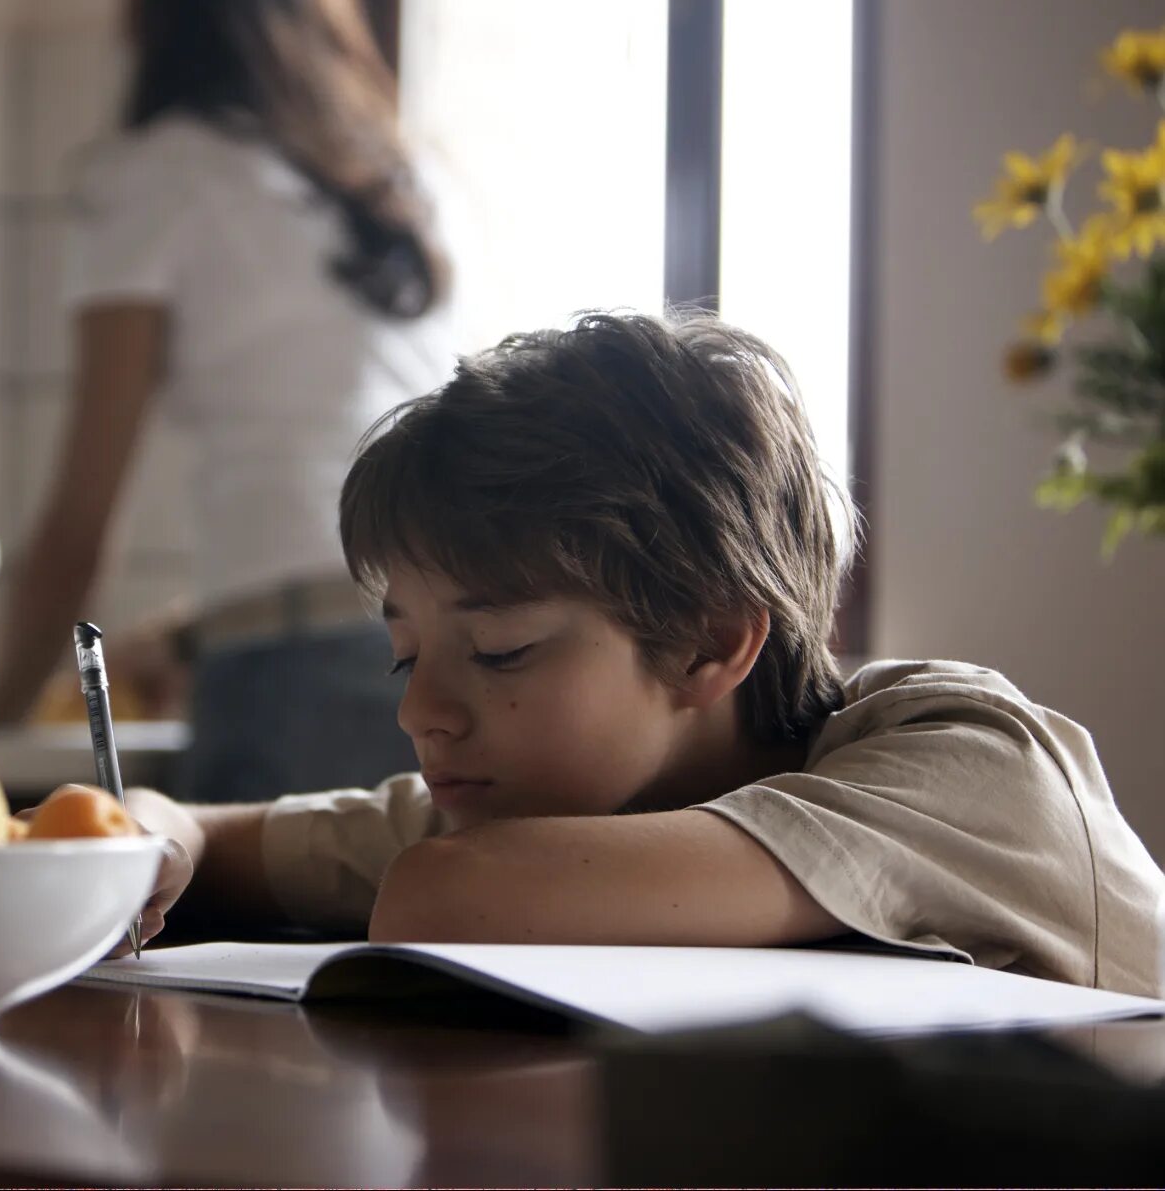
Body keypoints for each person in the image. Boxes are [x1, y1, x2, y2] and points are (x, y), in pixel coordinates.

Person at [114, 312, 1165, 995]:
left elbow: (443, 892)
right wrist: (155, 828)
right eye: (405, 654)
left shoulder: (970, 761)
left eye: (499, 649)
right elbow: (228, 837)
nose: (419, 709)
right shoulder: (578, 796)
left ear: (709, 640)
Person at [0, 0, 463, 803]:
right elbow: (340, 476)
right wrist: (199, 627)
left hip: (294, 681)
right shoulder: (400, 183)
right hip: (451, 646)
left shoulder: (157, 174)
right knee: (413, 955)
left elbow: (84, 512)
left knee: (264, 957)